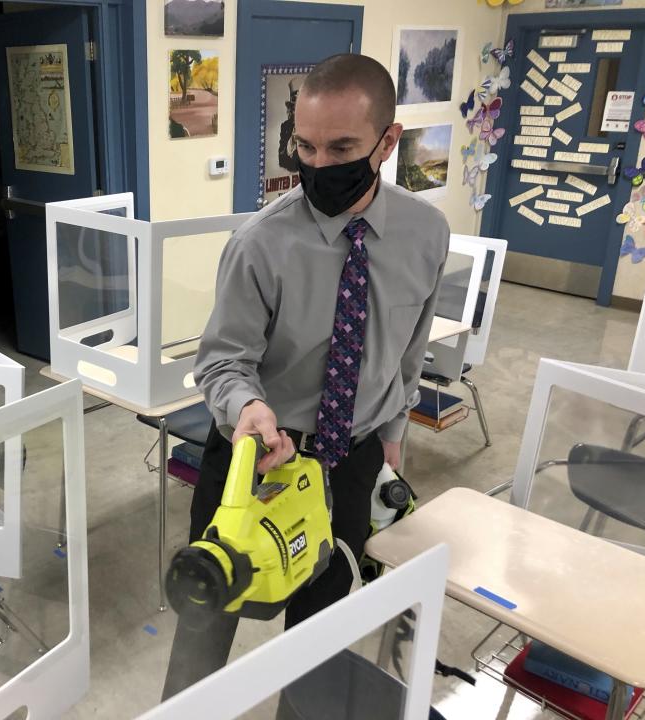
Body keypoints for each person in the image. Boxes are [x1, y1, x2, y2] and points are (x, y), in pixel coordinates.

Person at [161, 52, 450, 699]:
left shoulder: (425, 234)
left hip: (348, 461)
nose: (319, 166)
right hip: (254, 459)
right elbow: (222, 359)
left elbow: (410, 348)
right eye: (306, 147)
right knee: (207, 619)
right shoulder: (261, 242)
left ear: (387, 141)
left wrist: (392, 439)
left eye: (342, 146)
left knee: (320, 632)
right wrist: (247, 410)